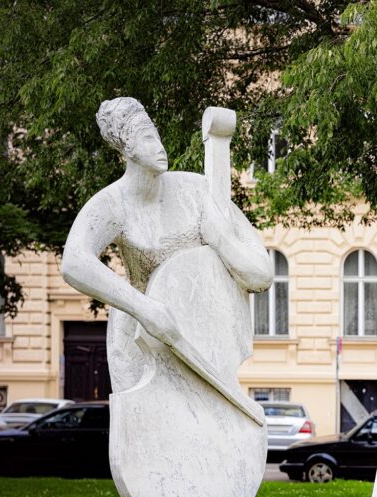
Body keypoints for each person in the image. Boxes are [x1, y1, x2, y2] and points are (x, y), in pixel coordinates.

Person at [62, 98, 272, 394]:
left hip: (198, 336)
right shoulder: (113, 204)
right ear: (128, 149)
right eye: (148, 138)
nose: (160, 147)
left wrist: (221, 238)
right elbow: (74, 262)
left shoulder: (196, 191)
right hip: (140, 336)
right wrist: (144, 308)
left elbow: (261, 275)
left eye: (157, 136)